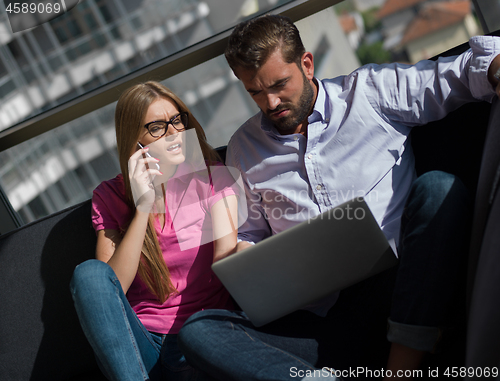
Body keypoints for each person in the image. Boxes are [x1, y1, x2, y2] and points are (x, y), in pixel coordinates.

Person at [177, 14, 500, 380]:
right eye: (254, 92)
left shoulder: (369, 93)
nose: (270, 102)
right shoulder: (243, 148)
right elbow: (248, 236)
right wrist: (252, 259)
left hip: (404, 291)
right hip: (323, 322)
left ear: (307, 64)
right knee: (200, 330)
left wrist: (495, 68)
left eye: (279, 84)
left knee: (439, 189)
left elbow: (453, 76)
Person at [70, 81, 242, 381]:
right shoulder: (109, 195)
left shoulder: (212, 178)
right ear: (134, 140)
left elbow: (227, 260)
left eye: (177, 121)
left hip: (200, 336)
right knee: (88, 274)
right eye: (157, 127)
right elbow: (110, 287)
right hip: (139, 345)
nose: (174, 133)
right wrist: (143, 206)